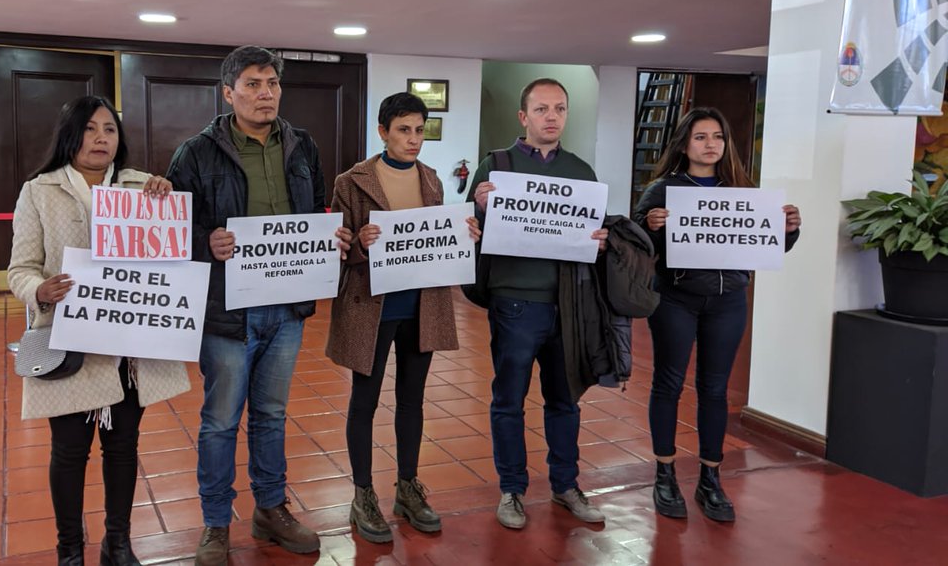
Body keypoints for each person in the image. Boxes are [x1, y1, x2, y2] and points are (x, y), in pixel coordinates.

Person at [167, 46, 351, 565]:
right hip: (226, 311)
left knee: (271, 415)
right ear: (228, 93)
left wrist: (326, 238)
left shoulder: (302, 146)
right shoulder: (195, 153)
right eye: (252, 84)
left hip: (286, 307)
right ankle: (215, 523)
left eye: (271, 83)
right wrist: (207, 241)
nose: (265, 93)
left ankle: (271, 508)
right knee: (221, 420)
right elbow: (172, 231)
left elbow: (314, 210)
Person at [8, 95, 190, 566]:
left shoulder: (143, 187)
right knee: (68, 452)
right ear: (70, 135)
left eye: (109, 129)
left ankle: (118, 542)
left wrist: (167, 203)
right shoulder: (39, 191)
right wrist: (39, 289)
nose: (101, 138)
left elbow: (169, 261)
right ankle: (69, 548)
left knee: (123, 447)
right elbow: (19, 269)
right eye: (90, 129)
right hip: (67, 342)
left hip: (128, 346)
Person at [326, 92, 481, 543]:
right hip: (371, 308)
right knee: (365, 401)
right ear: (383, 132)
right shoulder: (351, 180)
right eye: (403, 131)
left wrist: (465, 233)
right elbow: (333, 245)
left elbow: (438, 240)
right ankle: (362, 494)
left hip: (421, 305)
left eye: (419, 130)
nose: (413, 140)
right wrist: (360, 243)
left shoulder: (431, 179)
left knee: (413, 400)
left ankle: (408, 487)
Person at [633, 107, 801, 523]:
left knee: (715, 389)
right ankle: (665, 474)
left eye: (718, 137)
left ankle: (711, 478)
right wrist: (651, 225)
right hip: (676, 298)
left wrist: (789, 230)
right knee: (668, 383)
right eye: (701, 137)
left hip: (728, 302)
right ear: (684, 144)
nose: (710, 145)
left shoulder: (744, 192)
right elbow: (634, 243)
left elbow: (768, 247)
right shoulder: (664, 190)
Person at [467, 78, 609, 529]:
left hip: (570, 304)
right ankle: (512, 490)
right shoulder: (496, 165)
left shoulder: (582, 172)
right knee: (509, 399)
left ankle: (566, 485)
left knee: (565, 401)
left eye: (560, 109)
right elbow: (467, 229)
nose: (552, 117)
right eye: (542, 109)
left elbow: (593, 233)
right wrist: (480, 208)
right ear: (523, 117)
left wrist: (602, 241)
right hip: (515, 301)